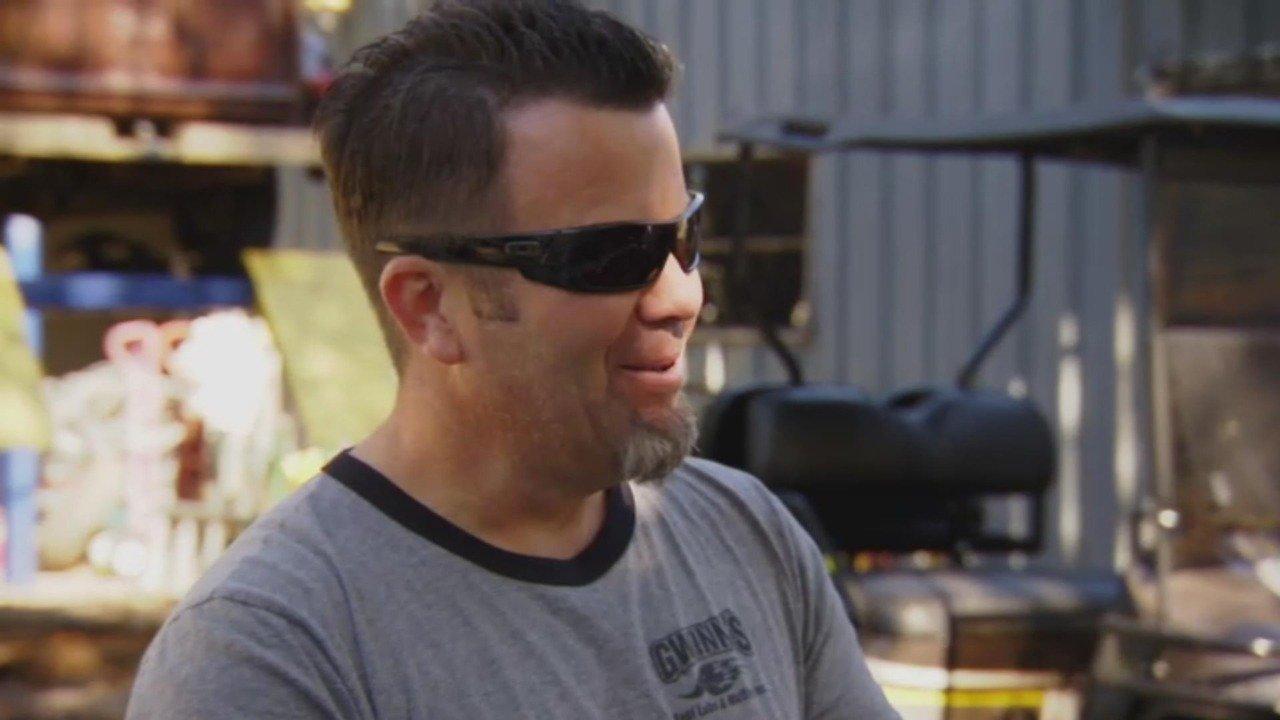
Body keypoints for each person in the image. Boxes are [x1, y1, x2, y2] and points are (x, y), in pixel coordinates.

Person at [126, 1, 901, 718]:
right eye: (612, 254)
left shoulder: (746, 535)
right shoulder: (269, 653)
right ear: (430, 307)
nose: (679, 296)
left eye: (684, 237)